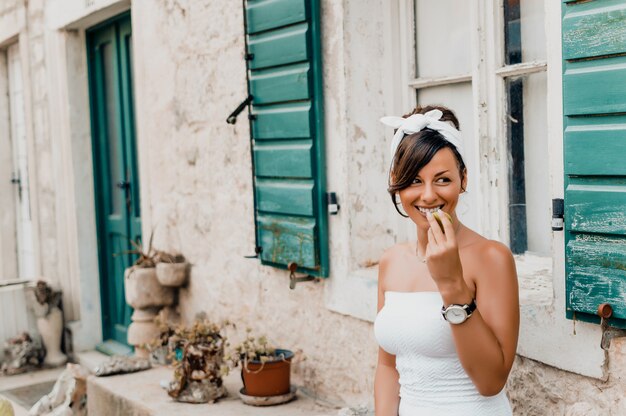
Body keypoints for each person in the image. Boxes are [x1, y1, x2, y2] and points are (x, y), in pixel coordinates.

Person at [373, 105, 519, 415]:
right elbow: (387, 366)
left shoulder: (491, 257)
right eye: (413, 180)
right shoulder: (391, 261)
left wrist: (452, 284)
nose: (427, 196)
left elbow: (491, 381)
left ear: (463, 179)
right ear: (396, 184)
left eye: (442, 180)